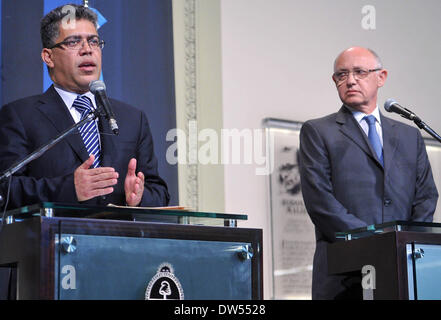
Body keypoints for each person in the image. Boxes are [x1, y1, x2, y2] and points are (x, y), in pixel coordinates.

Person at [298, 47, 438, 299]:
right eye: (341, 75)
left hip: (404, 272)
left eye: (359, 72)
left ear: (381, 77)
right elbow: (321, 202)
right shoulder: (318, 131)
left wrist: (408, 243)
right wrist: (374, 243)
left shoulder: (409, 135)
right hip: (344, 276)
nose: (350, 80)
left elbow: (426, 196)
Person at [0, 4, 169, 210]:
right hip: (52, 239)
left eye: (94, 41)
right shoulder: (20, 116)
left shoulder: (132, 119)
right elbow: (5, 188)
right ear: (48, 56)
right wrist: (69, 189)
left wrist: (138, 197)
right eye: (73, 42)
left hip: (120, 239)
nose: (87, 49)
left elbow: (159, 192)